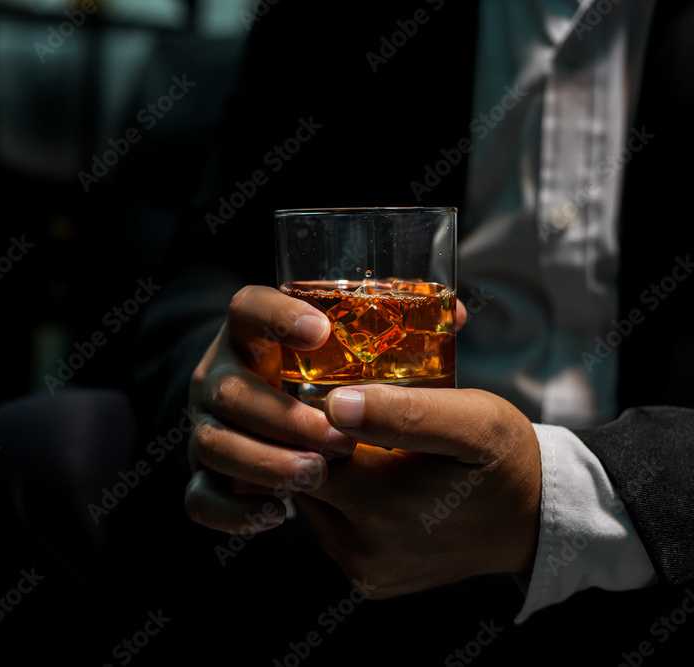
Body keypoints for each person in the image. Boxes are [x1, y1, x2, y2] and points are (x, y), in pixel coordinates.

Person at [131, 0, 694, 662]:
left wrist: (567, 495)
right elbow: (207, 260)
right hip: (343, 499)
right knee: (39, 457)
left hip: (664, 554)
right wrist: (226, 393)